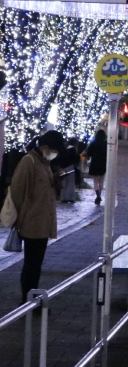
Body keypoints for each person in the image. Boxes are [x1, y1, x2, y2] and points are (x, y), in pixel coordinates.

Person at [10, 130, 65, 304]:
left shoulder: (44, 163)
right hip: (31, 222)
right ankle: (27, 299)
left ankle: (31, 298)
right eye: (53, 150)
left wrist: (55, 180)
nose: (54, 155)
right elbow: (17, 192)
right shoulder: (29, 161)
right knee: (31, 265)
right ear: (46, 147)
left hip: (43, 222)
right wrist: (19, 220)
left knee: (36, 264)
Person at [86, 129, 108, 205]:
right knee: (101, 181)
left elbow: (89, 153)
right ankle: (100, 194)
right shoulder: (106, 144)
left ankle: (97, 195)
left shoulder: (93, 143)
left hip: (95, 163)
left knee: (95, 181)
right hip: (103, 163)